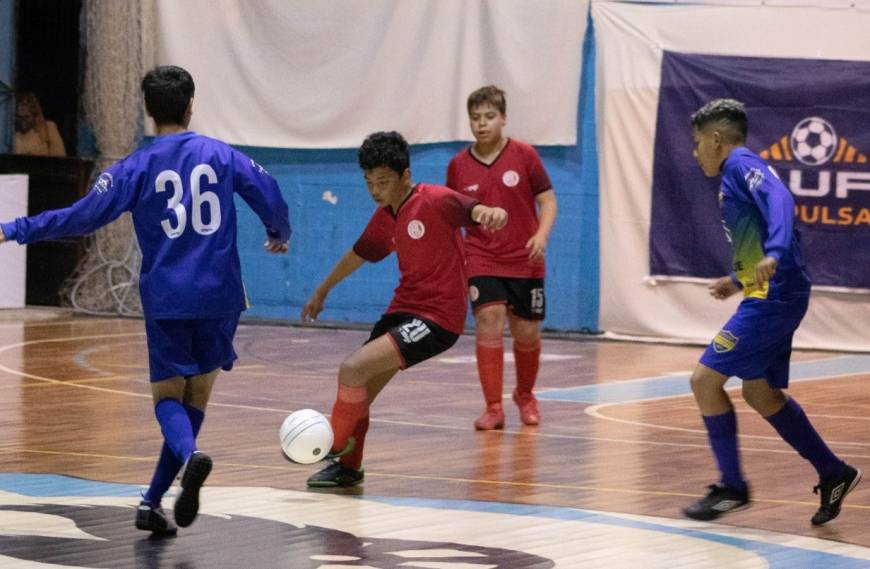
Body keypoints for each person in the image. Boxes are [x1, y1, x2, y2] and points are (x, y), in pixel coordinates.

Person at [0, 66, 291, 534]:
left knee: (166, 398)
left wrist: (16, 229)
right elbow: (268, 189)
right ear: (191, 105)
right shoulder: (220, 154)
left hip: (169, 297)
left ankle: (190, 458)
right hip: (222, 295)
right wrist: (279, 231)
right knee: (197, 395)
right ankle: (152, 501)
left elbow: (80, 217)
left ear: (147, 110)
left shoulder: (135, 167)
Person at [683, 98, 861, 525]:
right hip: (767, 291)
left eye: (696, 143)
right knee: (759, 392)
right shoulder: (738, 170)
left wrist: (776, 252)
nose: (695, 152)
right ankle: (834, 472)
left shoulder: (741, 164)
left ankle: (732, 488)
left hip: (774, 296)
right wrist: (740, 279)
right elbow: (758, 238)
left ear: (716, 138)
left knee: (704, 382)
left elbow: (780, 199)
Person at [301, 131, 507, 487]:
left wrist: (489, 211)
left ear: (405, 177)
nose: (375, 190)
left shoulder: (433, 200)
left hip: (438, 318)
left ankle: (330, 447)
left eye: (383, 181)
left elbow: (472, 208)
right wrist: (322, 291)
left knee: (352, 368)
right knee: (359, 390)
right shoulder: (385, 216)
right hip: (403, 311)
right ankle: (348, 470)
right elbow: (358, 254)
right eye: (369, 182)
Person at [446, 85, 557, 430]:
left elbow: (548, 200)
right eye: (475, 118)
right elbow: (454, 215)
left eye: (489, 117)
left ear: (503, 119)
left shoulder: (525, 155)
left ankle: (525, 395)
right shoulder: (458, 166)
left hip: (525, 259)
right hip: (482, 257)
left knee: (525, 332)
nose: (482, 124)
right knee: (489, 320)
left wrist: (540, 236)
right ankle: (493, 407)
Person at [14, 91, 67, 157]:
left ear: (35, 115)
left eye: (27, 117)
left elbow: (60, 157)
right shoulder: (10, 132)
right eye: (19, 117)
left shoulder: (48, 129)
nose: (22, 121)